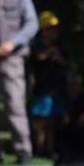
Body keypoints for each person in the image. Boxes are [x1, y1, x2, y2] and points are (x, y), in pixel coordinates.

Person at [0, 0, 38, 165]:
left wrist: (12, 42)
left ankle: (23, 151)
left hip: (12, 57)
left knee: (15, 104)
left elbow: (32, 23)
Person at [28, 11, 69, 158]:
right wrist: (48, 53)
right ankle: (38, 149)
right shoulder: (37, 46)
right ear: (44, 30)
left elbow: (66, 63)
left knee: (52, 122)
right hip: (42, 89)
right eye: (52, 29)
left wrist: (58, 57)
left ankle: (49, 150)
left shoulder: (59, 47)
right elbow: (36, 58)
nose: (55, 32)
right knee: (40, 122)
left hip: (56, 90)